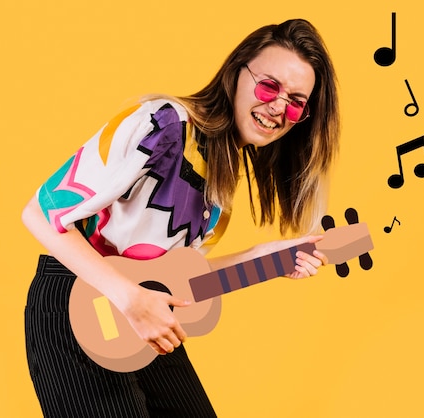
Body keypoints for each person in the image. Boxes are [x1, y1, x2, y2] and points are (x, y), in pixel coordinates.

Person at [22, 18, 340, 417]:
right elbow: (39, 213)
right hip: (78, 300)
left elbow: (178, 281)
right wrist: (129, 298)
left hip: (143, 308)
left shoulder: (222, 172)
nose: (278, 107)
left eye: (295, 102)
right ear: (236, 72)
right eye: (269, 86)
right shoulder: (165, 123)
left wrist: (268, 258)